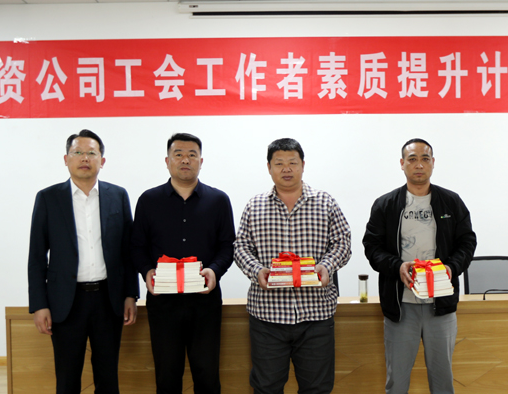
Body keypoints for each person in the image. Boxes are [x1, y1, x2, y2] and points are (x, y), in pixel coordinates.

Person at [234, 138, 352, 394]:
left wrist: (327, 266)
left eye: (292, 163)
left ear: (303, 165)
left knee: (317, 389)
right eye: (279, 163)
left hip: (315, 316)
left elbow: (343, 243)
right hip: (267, 317)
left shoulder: (325, 202)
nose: (286, 169)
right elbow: (241, 247)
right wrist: (257, 271)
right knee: (266, 388)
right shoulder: (254, 206)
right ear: (269, 167)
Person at [28, 129, 139, 394]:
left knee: (107, 376)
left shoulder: (118, 195)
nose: (85, 158)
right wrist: (39, 305)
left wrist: (130, 295)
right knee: (67, 377)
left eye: (91, 153)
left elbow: (128, 251)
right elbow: (37, 255)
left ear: (102, 160)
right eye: (78, 152)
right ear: (66, 159)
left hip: (108, 300)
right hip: (66, 301)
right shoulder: (48, 198)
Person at [363, 138, 476, 394]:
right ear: (402, 163)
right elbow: (372, 247)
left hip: (441, 305)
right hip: (401, 306)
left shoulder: (451, 202)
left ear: (433, 163)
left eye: (425, 159)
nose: (419, 165)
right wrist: (397, 266)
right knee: (397, 381)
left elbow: (467, 242)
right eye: (412, 159)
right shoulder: (386, 204)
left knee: (443, 380)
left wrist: (451, 268)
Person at [131, 133, 235, 394]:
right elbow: (137, 246)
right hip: (163, 303)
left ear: (201, 161)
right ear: (167, 161)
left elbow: (227, 246)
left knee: (207, 375)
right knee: (167, 376)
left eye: (191, 155)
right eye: (178, 154)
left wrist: (214, 271)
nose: (185, 160)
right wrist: (147, 272)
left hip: (205, 303)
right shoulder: (148, 200)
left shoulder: (218, 200)